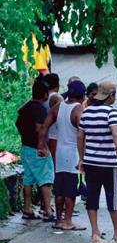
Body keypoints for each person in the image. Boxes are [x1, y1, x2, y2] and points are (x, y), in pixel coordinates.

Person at [77, 81, 117, 243]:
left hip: (90, 162)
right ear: (111, 95)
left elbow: (80, 137)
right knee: (112, 197)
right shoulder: (111, 112)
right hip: (107, 163)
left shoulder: (86, 112)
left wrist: (81, 158)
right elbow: (116, 134)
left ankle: (95, 233)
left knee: (92, 197)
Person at [39, 80, 86, 231]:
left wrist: (41, 144)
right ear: (82, 95)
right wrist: (83, 156)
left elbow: (44, 126)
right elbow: (82, 133)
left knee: (59, 189)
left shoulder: (58, 107)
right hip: (73, 153)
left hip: (59, 152)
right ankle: (68, 221)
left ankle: (59, 220)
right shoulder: (78, 110)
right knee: (71, 190)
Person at [17, 80, 55, 222]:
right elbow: (40, 129)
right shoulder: (39, 109)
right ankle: (48, 211)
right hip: (37, 149)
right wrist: (43, 146)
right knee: (45, 178)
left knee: (28, 179)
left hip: (25, 147)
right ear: (45, 94)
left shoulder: (25, 108)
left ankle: (27, 209)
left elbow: (19, 116)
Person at [43, 73, 63, 158]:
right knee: (55, 159)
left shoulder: (42, 96)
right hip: (54, 133)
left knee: (49, 159)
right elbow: (63, 113)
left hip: (44, 132)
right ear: (58, 84)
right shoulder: (56, 97)